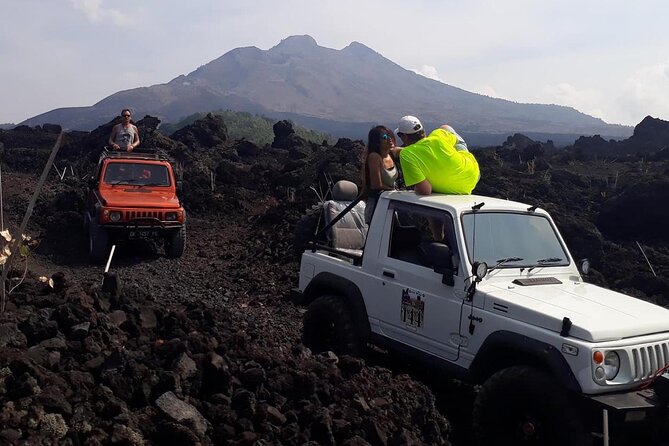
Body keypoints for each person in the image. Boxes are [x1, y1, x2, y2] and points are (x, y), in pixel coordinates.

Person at [394, 115, 479, 195]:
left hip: (460, 189)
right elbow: (456, 141)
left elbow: (425, 190)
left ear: (404, 136)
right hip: (474, 174)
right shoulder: (438, 135)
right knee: (445, 128)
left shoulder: (406, 154)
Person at [361, 125, 399, 224]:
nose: (390, 139)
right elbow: (376, 185)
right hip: (377, 205)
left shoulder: (391, 154)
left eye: (390, 135)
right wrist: (396, 191)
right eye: (385, 137)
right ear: (377, 142)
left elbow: (411, 150)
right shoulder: (374, 157)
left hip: (390, 202)